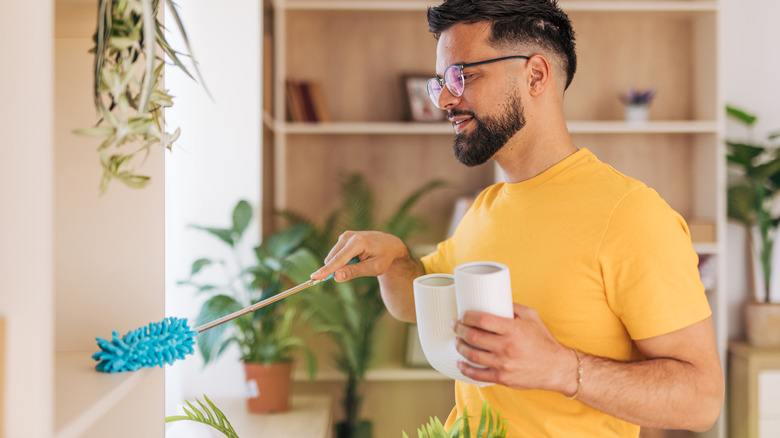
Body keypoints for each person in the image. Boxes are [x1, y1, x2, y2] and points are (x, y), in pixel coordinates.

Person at [310, 0, 724, 436]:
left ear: (535, 76)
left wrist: (560, 368)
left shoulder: (631, 215)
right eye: (441, 82)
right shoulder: (485, 209)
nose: (446, 99)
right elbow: (417, 304)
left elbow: (702, 400)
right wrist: (395, 260)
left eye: (462, 75)